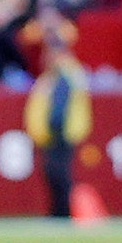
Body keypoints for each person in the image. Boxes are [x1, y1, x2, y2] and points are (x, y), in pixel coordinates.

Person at [23, 17, 91, 219]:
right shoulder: (55, 75)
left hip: (59, 132)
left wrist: (54, 127)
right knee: (54, 174)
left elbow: (59, 106)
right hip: (54, 133)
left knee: (58, 174)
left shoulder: (64, 74)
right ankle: (58, 212)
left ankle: (62, 214)